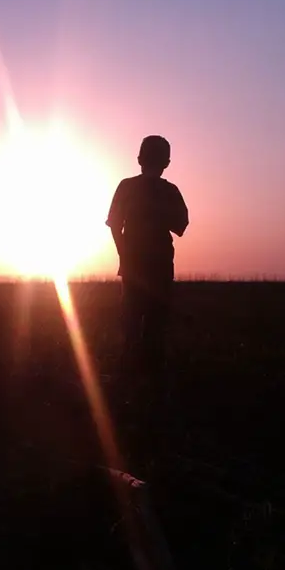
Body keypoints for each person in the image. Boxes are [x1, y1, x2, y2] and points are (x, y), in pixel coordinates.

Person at [105, 135, 189, 393]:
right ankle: (150, 375)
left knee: (131, 319)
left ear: (139, 159)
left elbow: (114, 226)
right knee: (155, 323)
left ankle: (130, 372)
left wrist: (123, 254)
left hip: (135, 266)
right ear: (167, 162)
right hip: (160, 266)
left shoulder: (126, 187)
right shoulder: (170, 191)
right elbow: (181, 226)